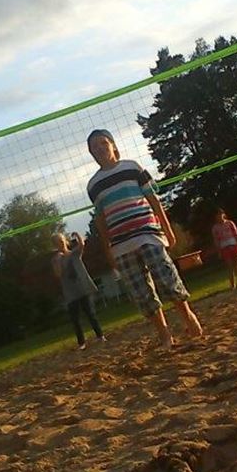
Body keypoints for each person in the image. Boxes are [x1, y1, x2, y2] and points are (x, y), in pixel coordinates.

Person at [86, 129, 203, 349]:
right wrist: (108, 249)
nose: (100, 149)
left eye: (103, 143)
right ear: (91, 153)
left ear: (112, 144)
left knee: (167, 279)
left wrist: (168, 230)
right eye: (95, 147)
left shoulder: (132, 168)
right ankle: (165, 334)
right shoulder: (93, 186)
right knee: (142, 292)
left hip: (148, 234)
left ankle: (189, 318)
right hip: (121, 245)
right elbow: (101, 222)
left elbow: (154, 200)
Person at [51, 231, 105, 350]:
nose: (60, 244)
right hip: (70, 293)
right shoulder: (55, 259)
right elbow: (58, 274)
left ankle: (100, 336)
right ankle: (81, 343)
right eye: (57, 243)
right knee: (75, 319)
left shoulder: (74, 254)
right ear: (55, 245)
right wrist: (59, 261)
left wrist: (77, 235)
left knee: (90, 313)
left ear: (65, 241)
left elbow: (82, 245)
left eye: (61, 241)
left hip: (82, 288)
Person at [211, 208, 237, 289]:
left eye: (220, 214)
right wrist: (219, 251)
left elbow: (236, 234)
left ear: (223, 215)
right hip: (224, 247)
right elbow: (216, 240)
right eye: (217, 215)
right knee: (229, 266)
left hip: (233, 244)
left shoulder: (230, 223)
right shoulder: (215, 228)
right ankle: (233, 285)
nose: (219, 217)